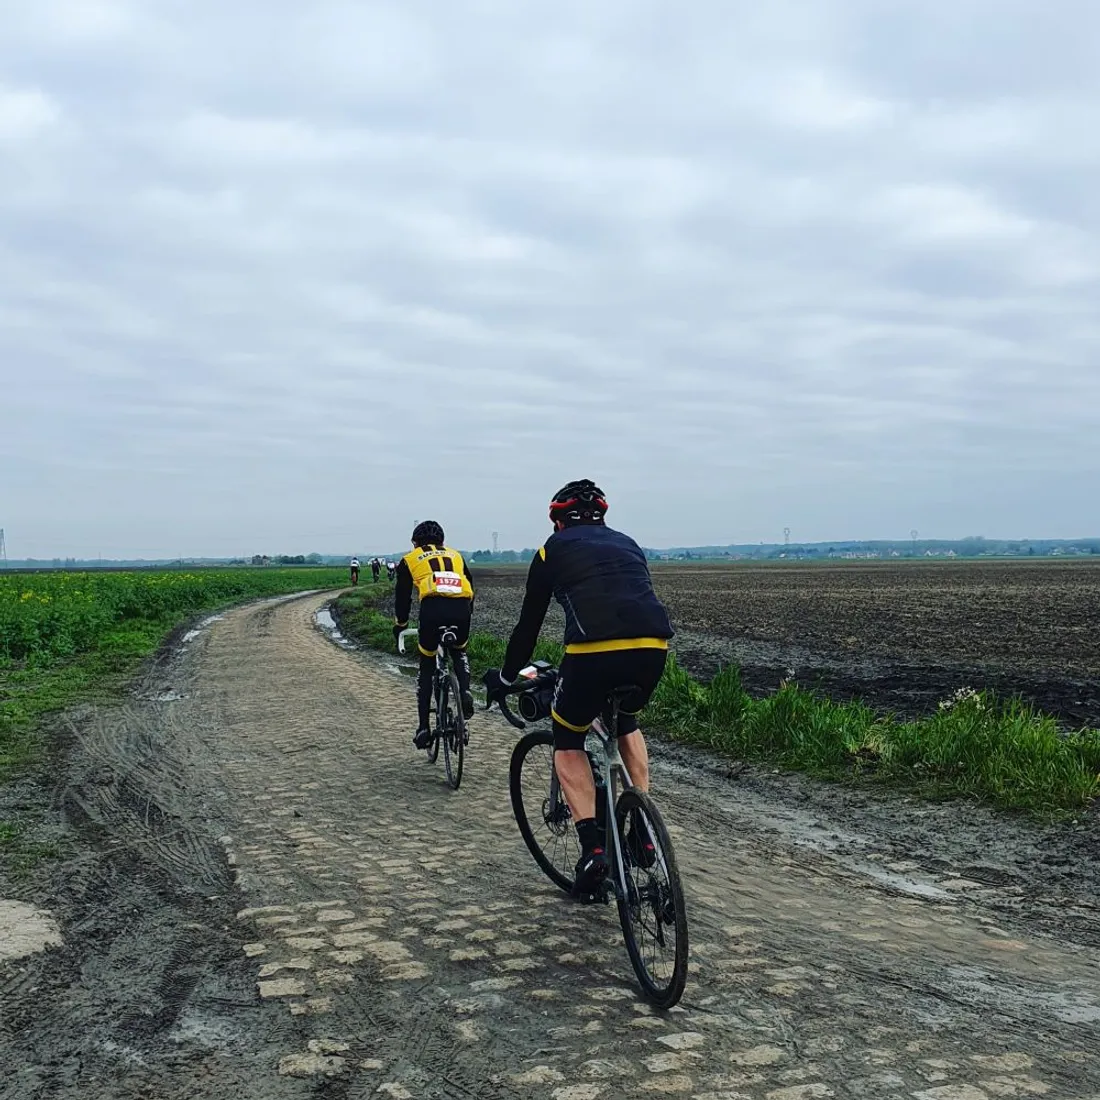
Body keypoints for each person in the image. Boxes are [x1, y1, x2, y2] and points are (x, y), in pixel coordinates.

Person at [484, 480, 673, 895]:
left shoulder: (551, 551)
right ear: (602, 515)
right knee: (626, 721)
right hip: (653, 647)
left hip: (592, 652)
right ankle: (641, 828)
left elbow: (527, 627)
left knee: (567, 738)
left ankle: (593, 852)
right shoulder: (628, 543)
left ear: (556, 519)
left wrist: (504, 676)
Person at [393, 521, 476, 749]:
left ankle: (423, 728)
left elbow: (402, 598)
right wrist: (467, 613)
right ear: (442, 542)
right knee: (459, 650)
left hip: (432, 612)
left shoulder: (410, 559)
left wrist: (400, 625)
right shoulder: (456, 555)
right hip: (461, 610)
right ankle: (466, 691)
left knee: (427, 664)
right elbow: (470, 584)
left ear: (415, 542)